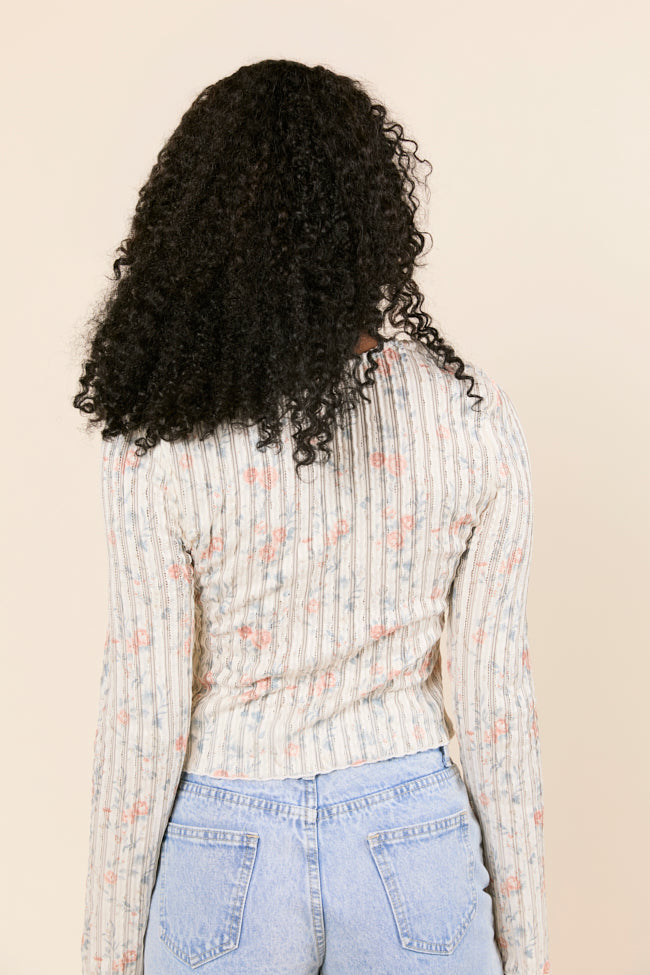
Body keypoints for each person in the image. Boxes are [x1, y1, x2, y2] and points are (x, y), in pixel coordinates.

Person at [73, 58, 551, 975]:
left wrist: (107, 956)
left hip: (224, 847)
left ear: (197, 228)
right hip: (413, 841)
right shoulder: (469, 414)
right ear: (369, 220)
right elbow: (497, 708)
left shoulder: (161, 436)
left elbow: (143, 716)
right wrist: (525, 953)